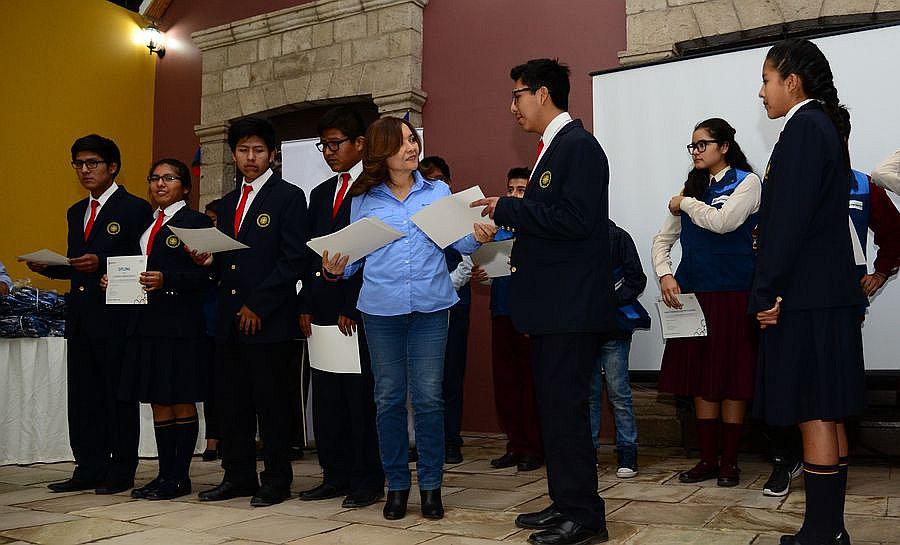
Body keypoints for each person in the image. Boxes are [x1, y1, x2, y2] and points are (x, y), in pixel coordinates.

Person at [471, 58, 616, 545]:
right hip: (553, 308)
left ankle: (585, 517)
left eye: (517, 95)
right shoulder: (553, 150)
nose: (512, 106)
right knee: (554, 411)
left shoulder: (579, 148)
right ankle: (565, 502)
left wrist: (507, 207)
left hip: (570, 309)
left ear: (543, 94)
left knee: (567, 412)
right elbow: (552, 220)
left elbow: (574, 220)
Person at [321, 116, 495, 521]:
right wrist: (333, 268)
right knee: (389, 399)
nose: (412, 148)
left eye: (413, 139)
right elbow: (351, 262)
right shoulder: (364, 200)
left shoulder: (437, 191)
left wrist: (479, 236)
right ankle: (397, 486)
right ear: (383, 151)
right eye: (402, 143)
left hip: (433, 308)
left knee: (430, 398)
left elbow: (461, 240)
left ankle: (431, 488)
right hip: (381, 311)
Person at [751, 38, 867, 545]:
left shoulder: (803, 129)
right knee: (828, 406)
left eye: (766, 79)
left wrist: (766, 288)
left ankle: (821, 533)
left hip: (808, 295)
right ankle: (829, 529)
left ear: (791, 81)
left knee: (813, 408)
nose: (761, 92)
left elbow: (788, 222)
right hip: (827, 293)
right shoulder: (822, 127)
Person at [761, 165, 900, 498]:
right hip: (791, 304)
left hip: (839, 306)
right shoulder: (788, 178)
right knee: (794, 390)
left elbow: (895, 233)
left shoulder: (864, 185)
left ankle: (828, 494)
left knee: (828, 399)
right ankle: (789, 461)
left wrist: (880, 273)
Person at [28, 135, 152, 494]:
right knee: (83, 395)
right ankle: (87, 465)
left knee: (117, 396)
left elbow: (143, 261)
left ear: (113, 167)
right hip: (80, 316)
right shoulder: (75, 211)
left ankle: (121, 468)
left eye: (92, 163)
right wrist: (52, 268)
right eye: (79, 164)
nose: (85, 170)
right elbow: (78, 264)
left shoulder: (134, 209)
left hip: (116, 316)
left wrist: (103, 263)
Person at [197, 118, 308, 508]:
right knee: (233, 404)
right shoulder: (226, 205)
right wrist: (208, 260)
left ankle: (276, 480)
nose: (250, 157)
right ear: (233, 155)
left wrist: (257, 304)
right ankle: (238, 476)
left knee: (272, 405)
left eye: (258, 150)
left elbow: (293, 258)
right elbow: (227, 263)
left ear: (273, 155)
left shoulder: (289, 197)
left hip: (269, 320)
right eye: (243, 150)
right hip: (229, 321)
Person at [652, 118, 761, 488]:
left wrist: (685, 203)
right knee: (702, 380)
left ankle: (730, 462)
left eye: (702, 144)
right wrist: (666, 274)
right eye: (693, 146)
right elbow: (662, 240)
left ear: (724, 146)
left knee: (731, 379)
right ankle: (707, 460)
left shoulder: (747, 182)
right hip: (695, 296)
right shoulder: (691, 187)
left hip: (735, 294)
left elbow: (724, 222)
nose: (696, 151)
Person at [297, 106, 384, 508]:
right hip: (322, 310)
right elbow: (311, 255)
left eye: (336, 144)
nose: (329, 152)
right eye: (324, 146)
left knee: (359, 399)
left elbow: (373, 249)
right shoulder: (319, 193)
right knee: (327, 397)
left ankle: (366, 480)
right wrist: (306, 304)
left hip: (358, 310)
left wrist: (354, 303)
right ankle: (334, 474)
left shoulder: (373, 188)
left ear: (360, 144)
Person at [112, 158, 214, 500]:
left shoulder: (195, 221)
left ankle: (179, 477)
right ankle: (163, 475)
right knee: (158, 400)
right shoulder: (146, 223)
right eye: (154, 178)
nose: (160, 184)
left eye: (168, 178)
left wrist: (167, 279)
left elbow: (207, 276)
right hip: (145, 322)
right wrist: (114, 280)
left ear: (185, 186)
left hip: (180, 324)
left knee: (180, 398)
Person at [488, 167, 544, 473]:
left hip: (530, 314)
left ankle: (534, 447)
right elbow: (487, 268)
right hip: (501, 310)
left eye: (521, 190)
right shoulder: (497, 226)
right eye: (510, 189)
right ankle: (515, 444)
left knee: (530, 384)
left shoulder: (535, 226)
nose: (513, 194)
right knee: (506, 383)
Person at [419, 155, 472, 465]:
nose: (434, 185)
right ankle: (426, 442)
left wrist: (437, 288)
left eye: (440, 179)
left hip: (452, 304)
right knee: (426, 381)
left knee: (451, 376)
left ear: (449, 183)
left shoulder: (455, 213)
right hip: (420, 309)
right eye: (428, 180)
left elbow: (466, 264)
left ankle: (451, 440)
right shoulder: (416, 211)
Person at [590, 220, 647, 478]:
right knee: (589, 395)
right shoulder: (571, 237)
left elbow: (637, 278)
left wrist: (610, 300)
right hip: (584, 331)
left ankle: (627, 453)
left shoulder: (618, 236)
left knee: (619, 393)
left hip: (614, 328)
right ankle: (587, 453)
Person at [200, 198, 222, 462]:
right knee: (210, 386)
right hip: (205, 324)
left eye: (214, 221)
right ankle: (212, 438)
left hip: (225, 322)